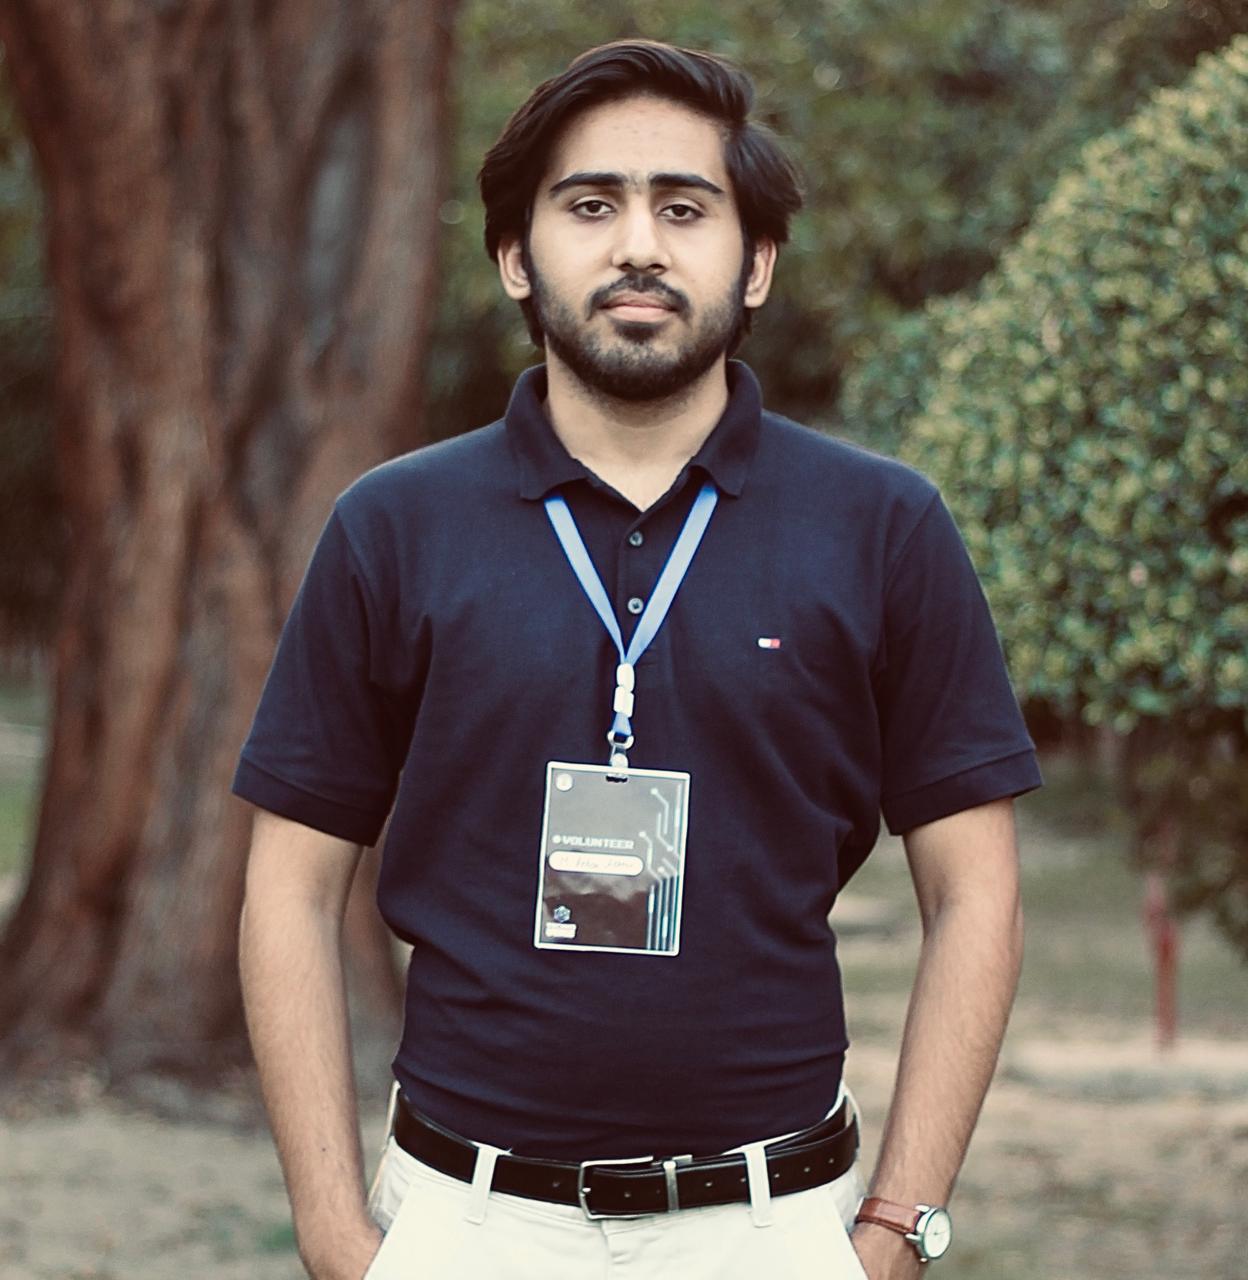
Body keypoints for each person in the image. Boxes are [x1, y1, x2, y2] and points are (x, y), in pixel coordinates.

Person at [234, 39, 1041, 1280]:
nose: (639, 246)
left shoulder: (884, 526)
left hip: (773, 1224)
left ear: (756, 260)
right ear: (516, 254)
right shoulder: (392, 526)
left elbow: (975, 889)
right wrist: (335, 1230)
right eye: (591, 204)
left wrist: (896, 1226)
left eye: (685, 206)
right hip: (464, 1222)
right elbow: (289, 886)